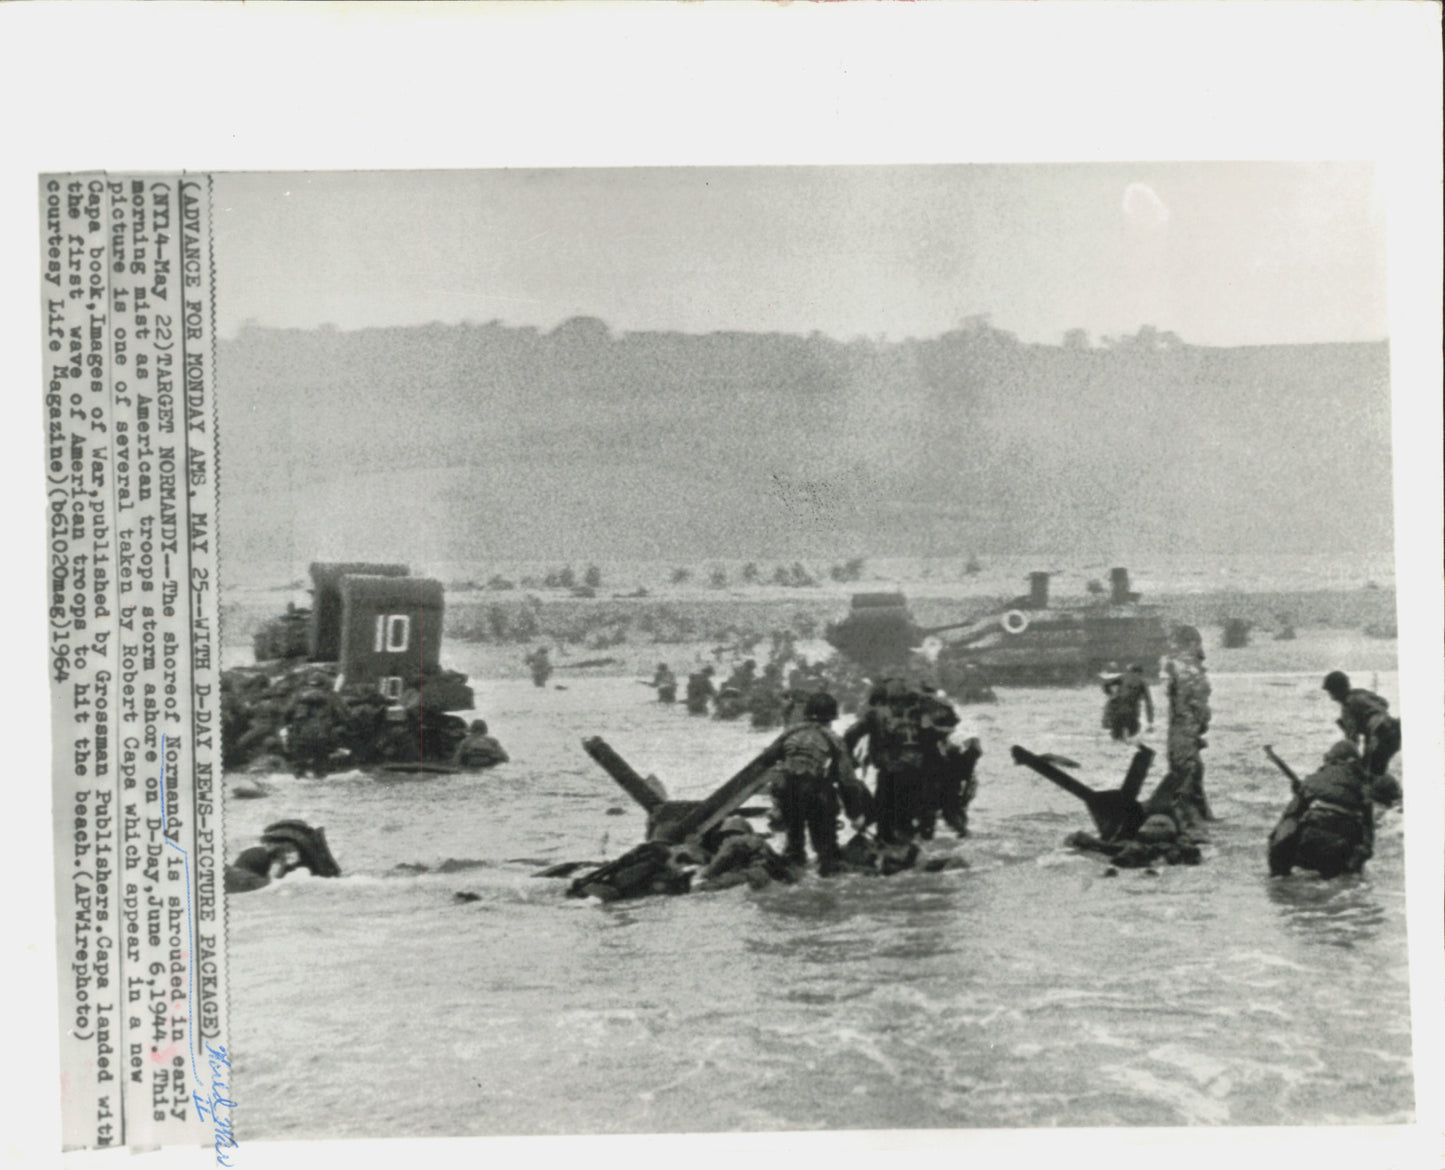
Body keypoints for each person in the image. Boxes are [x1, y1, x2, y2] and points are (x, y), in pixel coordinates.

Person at [777, 691, 870, 874]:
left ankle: (794, 869)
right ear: (832, 716)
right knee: (826, 851)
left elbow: (770, 762)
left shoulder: (790, 734)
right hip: (816, 794)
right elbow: (848, 781)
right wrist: (855, 814)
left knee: (794, 846)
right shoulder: (833, 739)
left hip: (788, 793)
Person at [1267, 741, 1375, 878]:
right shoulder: (1364, 786)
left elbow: (1290, 816)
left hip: (1308, 848)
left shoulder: (1313, 780)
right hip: (1340, 856)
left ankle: (1278, 880)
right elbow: (1368, 835)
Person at [844, 678, 928, 844]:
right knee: (908, 818)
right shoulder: (919, 714)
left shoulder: (875, 714)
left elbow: (850, 734)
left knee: (885, 820)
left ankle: (888, 849)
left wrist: (850, 758)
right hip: (916, 773)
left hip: (890, 772)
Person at [1163, 626, 1213, 829]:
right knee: (1188, 774)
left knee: (1190, 773)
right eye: (1198, 643)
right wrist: (1195, 730)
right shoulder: (1186, 669)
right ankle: (1191, 823)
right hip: (1185, 731)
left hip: (1184, 731)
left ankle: (1196, 819)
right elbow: (1189, 704)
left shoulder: (1180, 667)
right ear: (1191, 643)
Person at [1322, 671, 1401, 786]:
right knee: (1377, 771)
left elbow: (1352, 741)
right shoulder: (1361, 693)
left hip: (1379, 735)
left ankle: (1373, 798)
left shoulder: (1347, 706)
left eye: (1331, 693)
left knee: (1369, 775)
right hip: (1395, 730)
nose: (1332, 698)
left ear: (1338, 691)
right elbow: (1384, 703)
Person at [695, 816, 796, 891]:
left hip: (749, 877)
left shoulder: (732, 840)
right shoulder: (761, 841)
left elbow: (721, 859)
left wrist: (704, 876)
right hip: (765, 877)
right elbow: (779, 865)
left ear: (727, 832)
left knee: (703, 887)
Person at [283, 675, 348, 778]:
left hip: (301, 736)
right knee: (321, 765)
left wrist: (290, 726)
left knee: (299, 765)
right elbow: (342, 716)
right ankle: (319, 777)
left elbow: (287, 713)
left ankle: (299, 775)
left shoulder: (298, 696)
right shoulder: (331, 696)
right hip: (323, 736)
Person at [1105, 662, 1155, 741]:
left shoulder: (1122, 677)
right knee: (1134, 730)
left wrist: (1111, 695)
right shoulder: (1142, 682)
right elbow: (1149, 703)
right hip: (1131, 715)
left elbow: (1106, 684)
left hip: (1116, 715)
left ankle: (1115, 731)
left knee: (1117, 736)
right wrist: (1150, 722)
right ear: (1140, 672)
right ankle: (1124, 732)